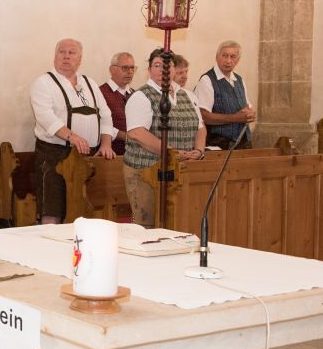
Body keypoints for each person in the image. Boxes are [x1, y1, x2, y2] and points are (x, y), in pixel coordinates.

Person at [29, 38, 116, 224]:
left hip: (88, 157)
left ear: (80, 59)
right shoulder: (43, 83)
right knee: (53, 209)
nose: (66, 56)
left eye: (71, 53)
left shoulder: (90, 83)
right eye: (62, 52)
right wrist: (73, 137)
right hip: (54, 156)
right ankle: (50, 242)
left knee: (88, 209)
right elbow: (45, 117)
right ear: (55, 57)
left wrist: (106, 143)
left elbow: (106, 115)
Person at [124, 49, 207, 228]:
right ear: (149, 70)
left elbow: (200, 127)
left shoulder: (187, 95)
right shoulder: (141, 96)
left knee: (178, 223)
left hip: (180, 171)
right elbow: (137, 133)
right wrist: (172, 152)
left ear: (174, 69)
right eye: (157, 65)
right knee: (149, 226)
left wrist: (199, 150)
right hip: (146, 171)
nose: (163, 70)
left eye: (167, 65)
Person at [194, 40, 254, 149]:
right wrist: (235, 118)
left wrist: (250, 114)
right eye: (225, 56)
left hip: (243, 144)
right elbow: (202, 116)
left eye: (233, 57)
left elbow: (246, 107)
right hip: (218, 145)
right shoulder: (207, 80)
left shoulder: (239, 80)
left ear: (238, 60)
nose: (228, 60)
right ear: (217, 57)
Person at [98, 52, 136, 155]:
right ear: (112, 70)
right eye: (125, 68)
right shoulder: (100, 92)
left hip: (135, 154)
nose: (130, 72)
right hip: (112, 153)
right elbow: (98, 124)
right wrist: (124, 136)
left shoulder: (136, 94)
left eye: (132, 68)